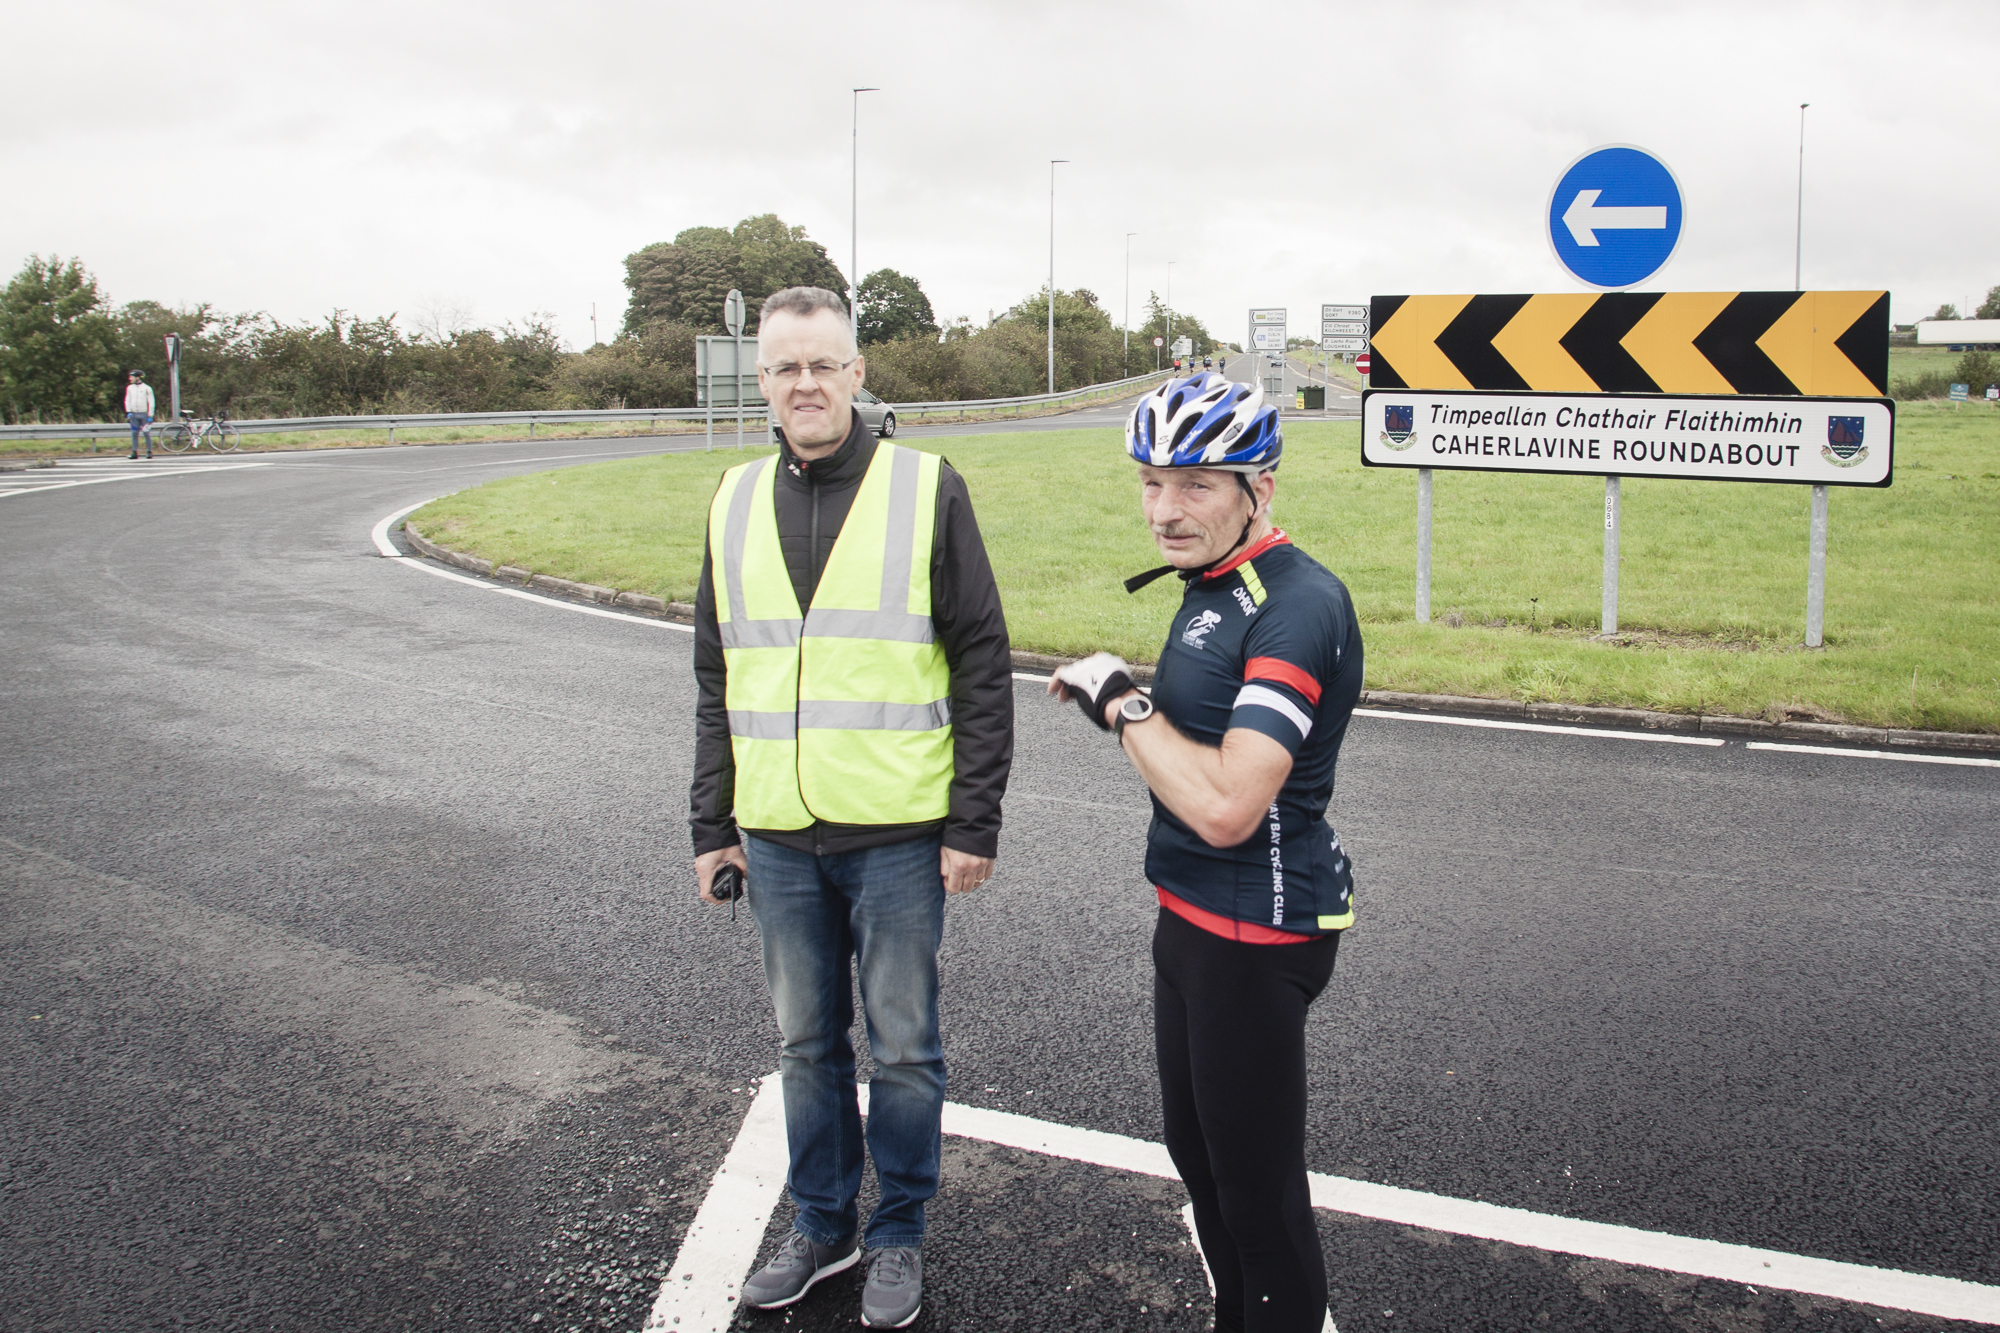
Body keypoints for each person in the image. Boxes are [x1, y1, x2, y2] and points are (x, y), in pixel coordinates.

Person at [689, 285, 1014, 1329]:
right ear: (763, 383)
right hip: (776, 833)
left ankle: (898, 1232)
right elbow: (714, 673)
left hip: (897, 832)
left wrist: (974, 822)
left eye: (822, 364)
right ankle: (823, 1224)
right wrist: (711, 823)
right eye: (784, 368)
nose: (805, 383)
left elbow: (979, 661)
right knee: (804, 1045)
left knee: (905, 1046)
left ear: (856, 373)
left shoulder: (927, 487)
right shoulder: (732, 497)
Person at [1049, 373, 1362, 1333]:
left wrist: (1122, 703)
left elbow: (1228, 804)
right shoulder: (1213, 586)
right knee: (1206, 1172)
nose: (1164, 510)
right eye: (1151, 481)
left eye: (1194, 485)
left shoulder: (1296, 605)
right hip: (1189, 921)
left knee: (1258, 1200)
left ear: (1257, 490)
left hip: (1256, 932)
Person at [123, 370, 155, 459]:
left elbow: (151, 402)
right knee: (134, 433)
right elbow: (127, 400)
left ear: (137, 378)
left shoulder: (147, 388)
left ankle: (149, 451)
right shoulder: (129, 388)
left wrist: (150, 415)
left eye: (131, 377)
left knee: (146, 433)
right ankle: (134, 452)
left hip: (144, 414)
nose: (130, 379)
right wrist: (128, 411)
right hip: (134, 415)